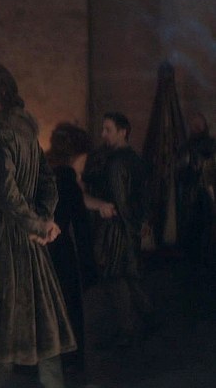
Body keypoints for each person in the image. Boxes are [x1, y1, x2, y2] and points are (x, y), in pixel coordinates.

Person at [0, 62, 75, 388]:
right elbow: (47, 183)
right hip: (27, 239)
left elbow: (6, 193)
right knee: (39, 320)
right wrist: (42, 221)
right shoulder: (24, 131)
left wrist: (40, 224)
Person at [83, 112, 152, 347]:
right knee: (128, 276)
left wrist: (131, 228)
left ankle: (129, 329)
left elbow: (121, 201)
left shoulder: (117, 162)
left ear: (123, 132)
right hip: (127, 226)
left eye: (108, 130)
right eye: (103, 129)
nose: (103, 134)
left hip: (116, 228)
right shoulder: (133, 158)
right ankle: (146, 319)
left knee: (116, 278)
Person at [46, 123, 99, 379]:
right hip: (61, 253)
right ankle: (70, 363)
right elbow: (81, 228)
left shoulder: (42, 173)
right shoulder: (67, 180)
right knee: (68, 309)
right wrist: (89, 270)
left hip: (39, 252)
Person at [176, 112, 216, 318]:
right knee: (193, 235)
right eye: (194, 125)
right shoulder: (186, 147)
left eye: (199, 124)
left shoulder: (211, 146)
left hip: (206, 199)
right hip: (192, 199)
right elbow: (182, 172)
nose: (196, 128)